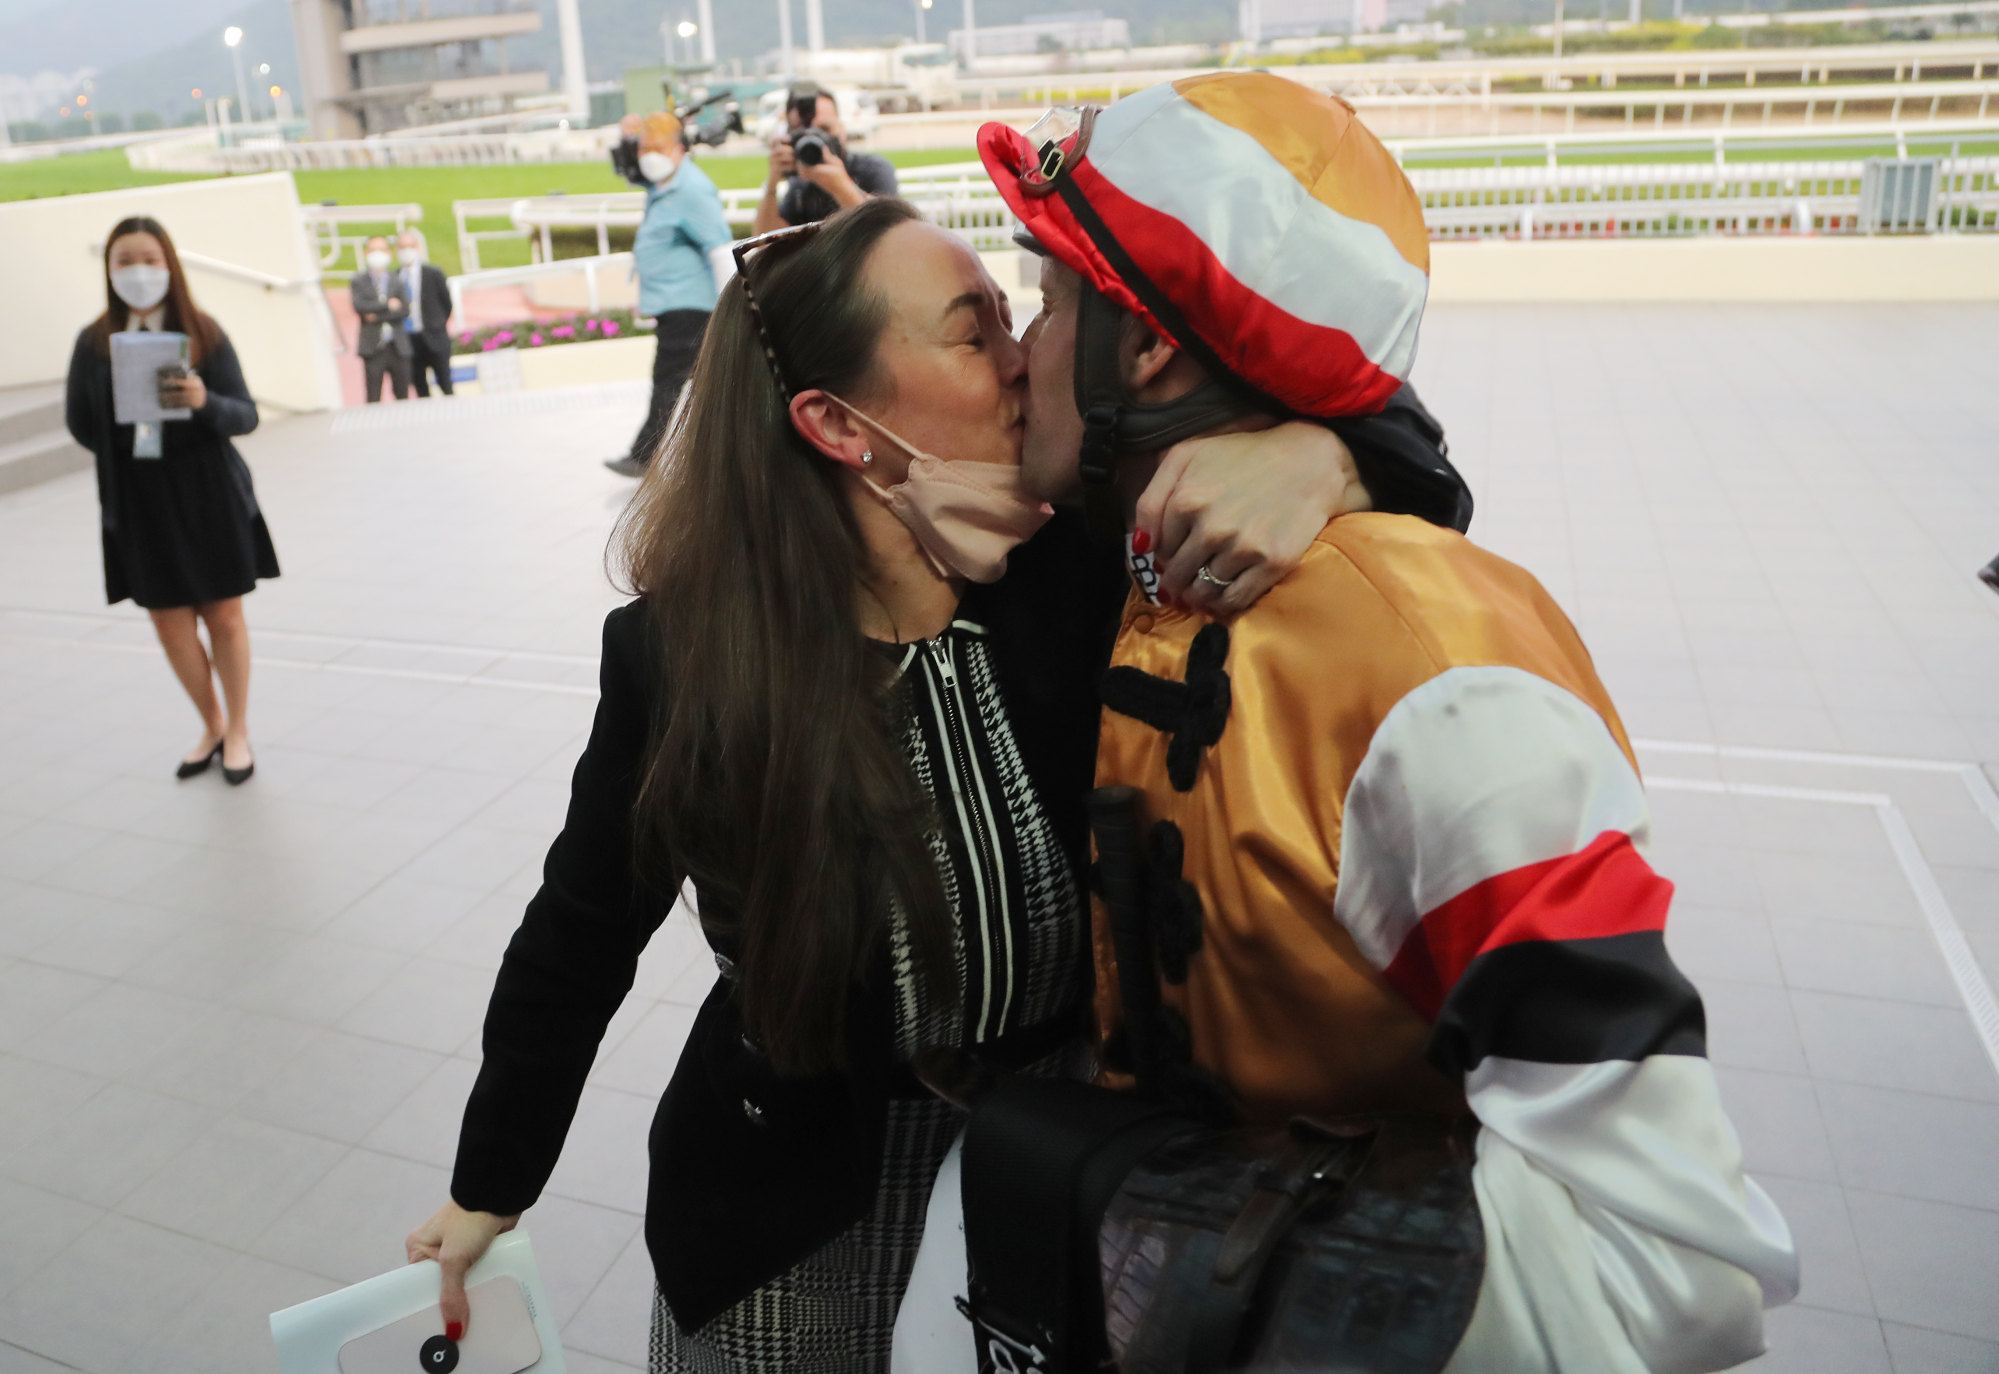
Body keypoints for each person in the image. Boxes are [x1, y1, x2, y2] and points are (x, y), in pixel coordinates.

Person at [403, 198, 1470, 1370]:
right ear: (836, 421)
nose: (1026, 361)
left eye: (1016, 319)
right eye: (973, 334)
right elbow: (580, 933)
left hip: (1054, 1161)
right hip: (795, 1194)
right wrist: (487, 1187)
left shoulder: (1087, 569)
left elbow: (1424, 507)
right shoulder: (685, 657)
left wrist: (1328, 455)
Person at [902, 76, 1799, 1372]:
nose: (1020, 354)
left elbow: (1672, 1268)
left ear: (1144, 351)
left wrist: (1179, 1248)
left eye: (1044, 302)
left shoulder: (1442, 677)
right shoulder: (1118, 565)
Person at [64, 215, 276, 784]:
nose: (138, 271)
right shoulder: (93, 342)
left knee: (224, 615)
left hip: (207, 492)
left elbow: (246, 415)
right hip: (139, 500)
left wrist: (203, 400)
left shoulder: (204, 331)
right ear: (109, 270)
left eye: (149, 259)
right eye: (124, 260)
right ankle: (210, 724)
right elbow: (79, 424)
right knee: (169, 620)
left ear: (170, 264)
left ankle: (239, 730)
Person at [604, 110, 735, 479]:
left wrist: (733, 305)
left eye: (656, 148)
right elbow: (627, 170)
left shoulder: (692, 189)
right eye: (643, 148)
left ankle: (646, 454)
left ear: (680, 149)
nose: (648, 155)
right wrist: (625, 136)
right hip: (674, 304)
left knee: (670, 379)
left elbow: (719, 248)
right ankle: (665, 455)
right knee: (690, 382)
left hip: (690, 306)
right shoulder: (663, 184)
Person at [751, 83, 898, 235]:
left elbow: (887, 236)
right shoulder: (800, 184)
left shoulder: (874, 170)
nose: (813, 140)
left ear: (841, 130)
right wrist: (771, 185)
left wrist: (842, 187)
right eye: (801, 132)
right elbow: (766, 242)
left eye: (824, 130)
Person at [351, 235, 412, 403]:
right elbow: (360, 307)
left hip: (397, 346)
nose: (377, 254)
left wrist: (376, 314)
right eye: (373, 250)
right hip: (373, 347)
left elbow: (404, 309)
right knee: (373, 395)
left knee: (402, 395)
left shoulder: (397, 279)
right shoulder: (359, 280)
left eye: (381, 250)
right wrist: (387, 305)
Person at [395, 228, 455, 398]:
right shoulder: (395, 276)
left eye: (410, 245)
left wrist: (437, 324)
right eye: (402, 247)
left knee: (446, 384)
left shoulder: (433, 273)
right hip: (410, 340)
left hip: (435, 337)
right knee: (420, 388)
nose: (406, 251)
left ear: (417, 246)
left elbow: (446, 304)